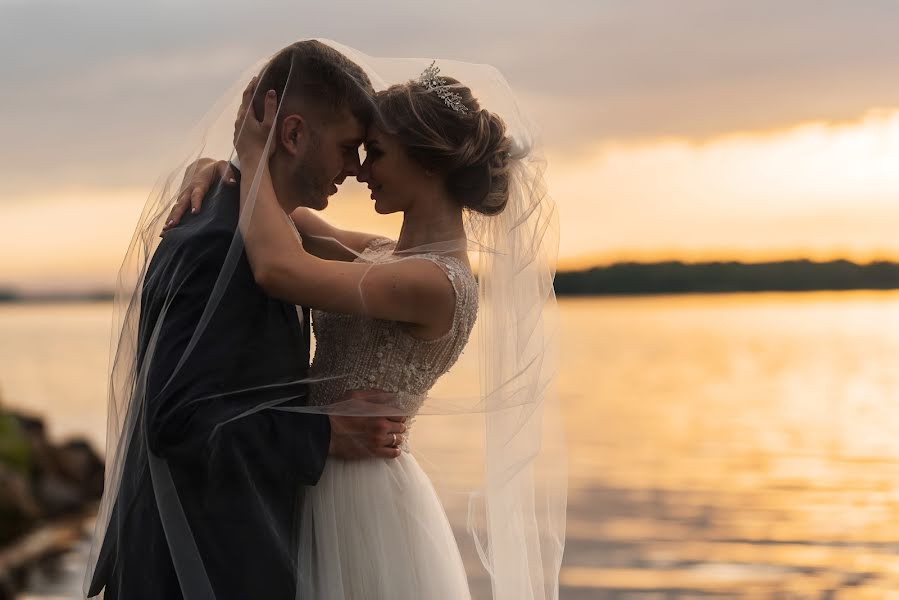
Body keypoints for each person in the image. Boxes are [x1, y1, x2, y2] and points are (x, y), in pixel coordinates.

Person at [84, 41, 408, 600]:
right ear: (294, 135)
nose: (354, 169)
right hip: (202, 567)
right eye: (347, 148)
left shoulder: (252, 228)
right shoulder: (218, 243)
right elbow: (178, 421)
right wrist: (325, 433)